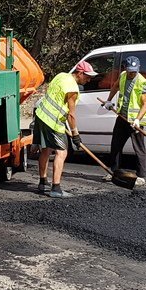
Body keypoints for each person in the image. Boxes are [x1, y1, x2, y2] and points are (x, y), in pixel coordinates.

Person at [31, 60, 97, 197]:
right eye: (87, 76)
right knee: (62, 152)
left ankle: (43, 183)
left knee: (46, 150)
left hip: (41, 115)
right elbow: (71, 115)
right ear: (79, 73)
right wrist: (75, 134)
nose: (89, 79)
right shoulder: (72, 88)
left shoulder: (61, 75)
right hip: (52, 121)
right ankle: (56, 188)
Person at [101, 55, 146, 185]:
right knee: (115, 145)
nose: (132, 73)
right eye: (130, 70)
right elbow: (115, 87)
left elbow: (145, 104)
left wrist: (137, 120)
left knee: (138, 147)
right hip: (122, 117)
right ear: (125, 68)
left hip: (134, 121)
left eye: (134, 71)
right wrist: (109, 100)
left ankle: (141, 176)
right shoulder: (123, 76)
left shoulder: (142, 82)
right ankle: (113, 172)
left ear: (138, 69)